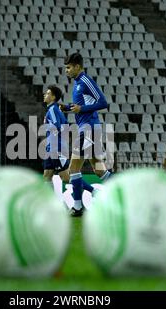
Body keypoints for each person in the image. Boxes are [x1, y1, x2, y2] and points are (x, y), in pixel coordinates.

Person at [62, 53, 112, 217]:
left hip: (88, 129)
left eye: (69, 67)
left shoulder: (85, 81)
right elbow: (81, 105)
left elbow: (103, 102)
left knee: (73, 168)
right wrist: (68, 108)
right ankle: (121, 193)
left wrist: (81, 110)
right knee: (99, 169)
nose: (67, 71)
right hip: (90, 128)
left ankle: (77, 207)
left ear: (77, 66)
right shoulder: (78, 83)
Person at [41, 85, 96, 197]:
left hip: (56, 149)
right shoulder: (53, 110)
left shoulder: (53, 110)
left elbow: (58, 127)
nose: (44, 95)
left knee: (66, 177)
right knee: (47, 175)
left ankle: (94, 191)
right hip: (51, 148)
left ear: (53, 97)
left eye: (47, 93)